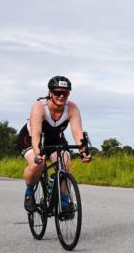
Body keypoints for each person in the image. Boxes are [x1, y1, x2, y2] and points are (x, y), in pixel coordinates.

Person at [17, 76, 91, 213]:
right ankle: (29, 192)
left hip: (56, 139)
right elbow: (36, 134)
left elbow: (77, 132)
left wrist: (83, 152)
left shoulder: (72, 108)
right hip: (31, 138)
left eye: (66, 93)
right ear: (50, 93)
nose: (61, 96)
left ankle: (63, 202)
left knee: (66, 165)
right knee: (37, 164)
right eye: (58, 93)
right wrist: (38, 154)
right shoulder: (40, 106)